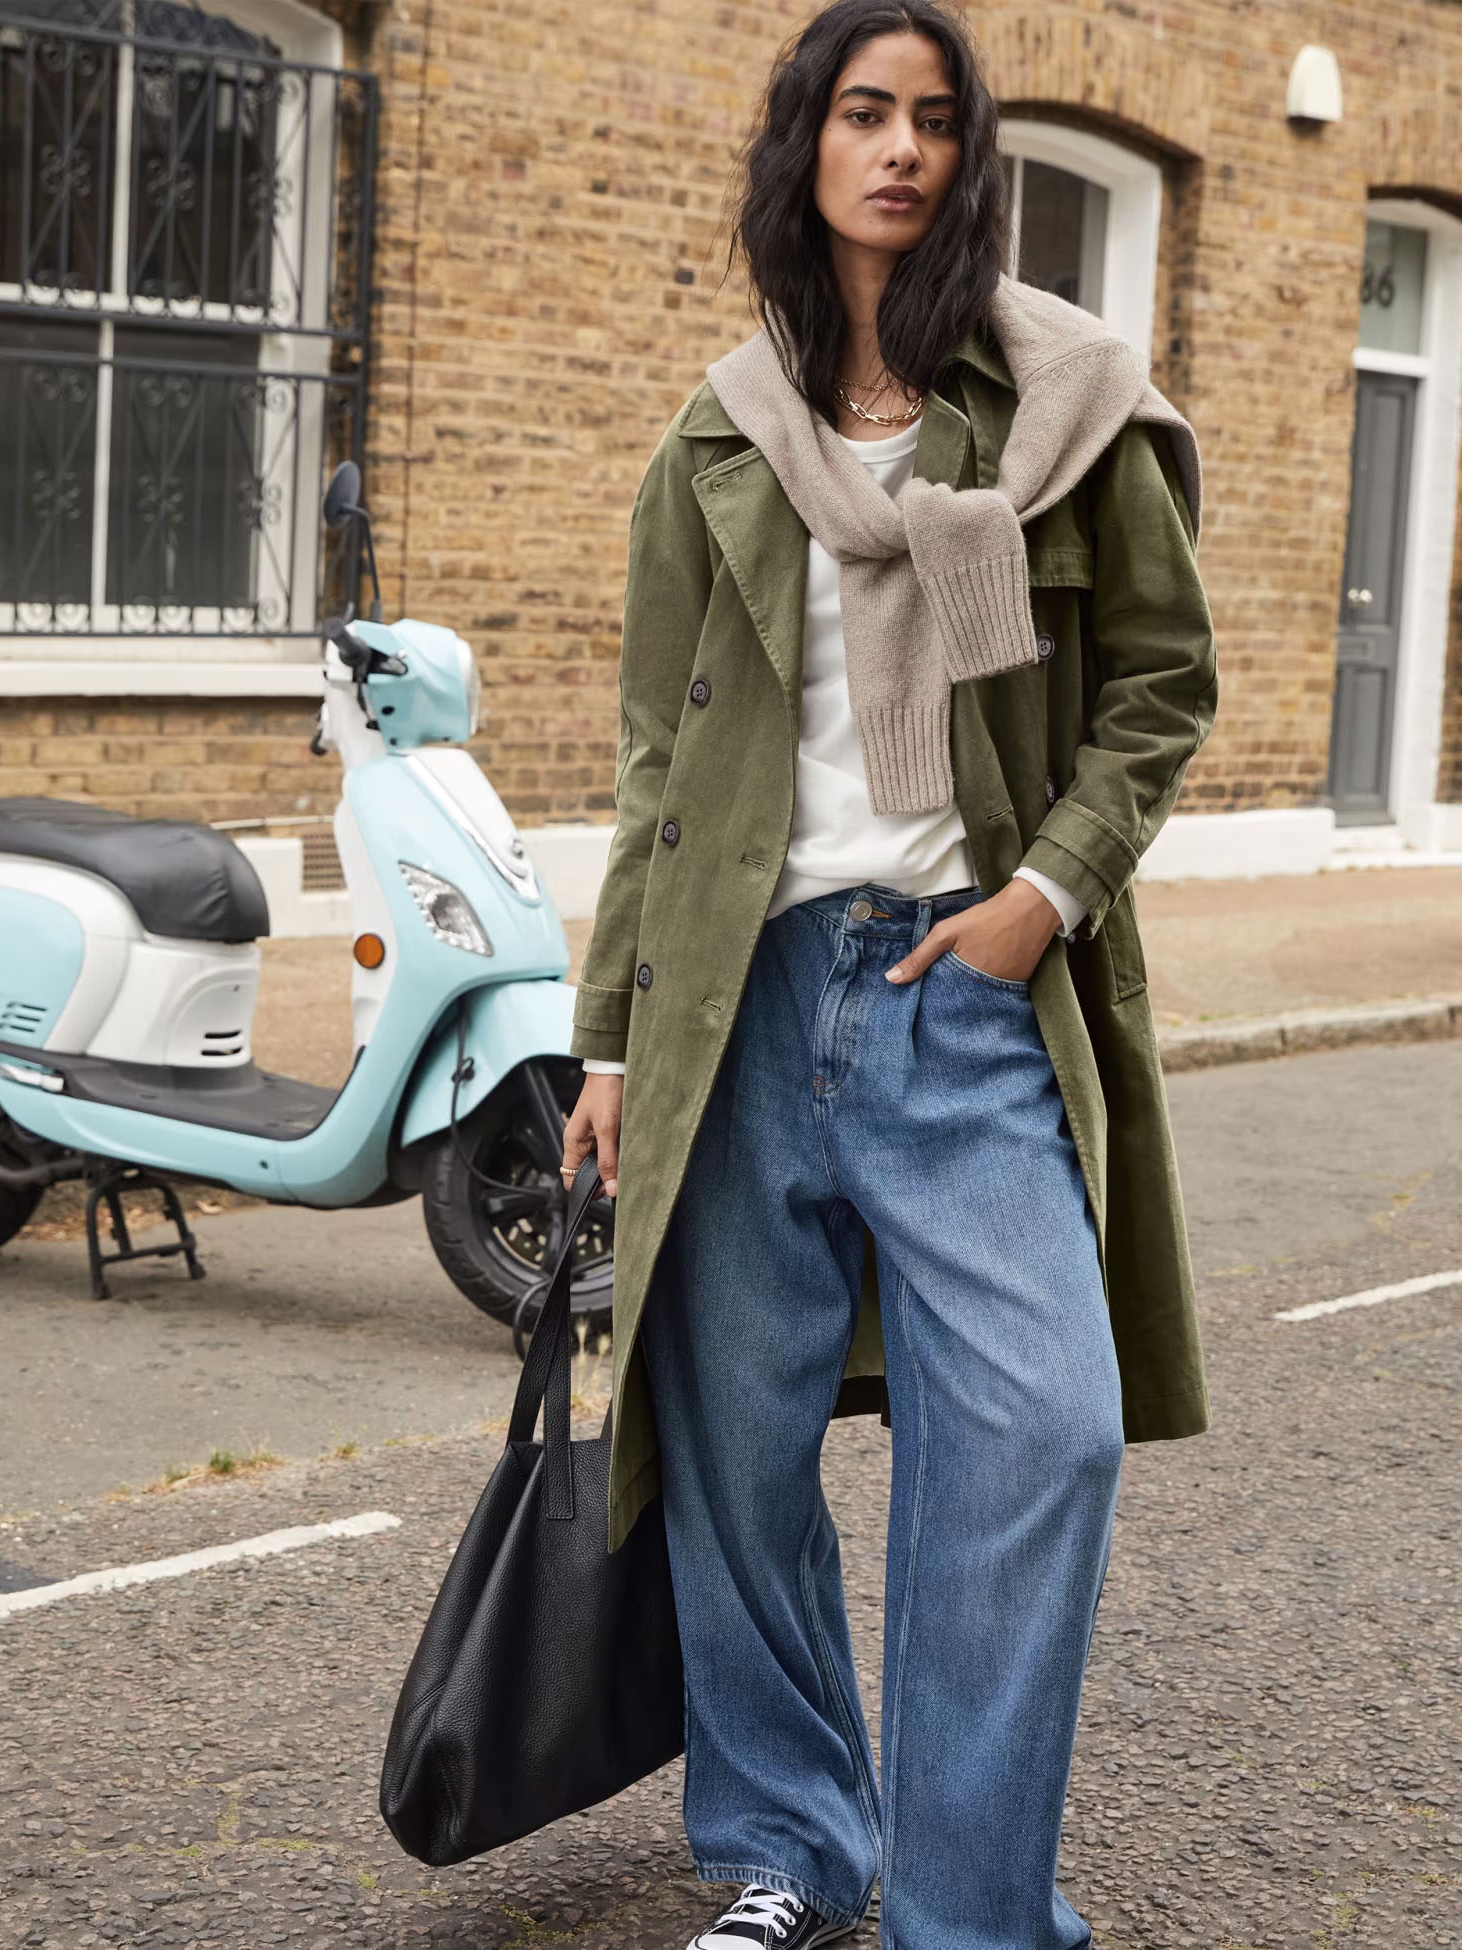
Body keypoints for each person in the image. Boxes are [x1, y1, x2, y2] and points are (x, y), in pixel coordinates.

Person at [559, 2, 1217, 1945]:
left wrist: (1043, 898)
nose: (899, 148)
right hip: (736, 1002)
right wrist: (603, 1040)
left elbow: (1162, 693)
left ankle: (965, 1902)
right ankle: (785, 1850)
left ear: (968, 156)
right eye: (863, 112)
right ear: (805, 143)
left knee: (1037, 1433)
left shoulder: (1062, 402)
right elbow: (656, 762)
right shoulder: (717, 430)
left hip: (959, 992)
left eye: (934, 118)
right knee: (734, 1452)